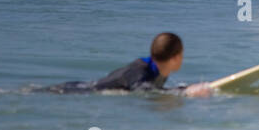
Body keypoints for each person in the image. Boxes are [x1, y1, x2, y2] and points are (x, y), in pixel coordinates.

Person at [44, 32, 213, 94]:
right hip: (73, 91)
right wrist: (184, 91)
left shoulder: (157, 71)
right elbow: (143, 90)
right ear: (176, 57)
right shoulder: (140, 69)